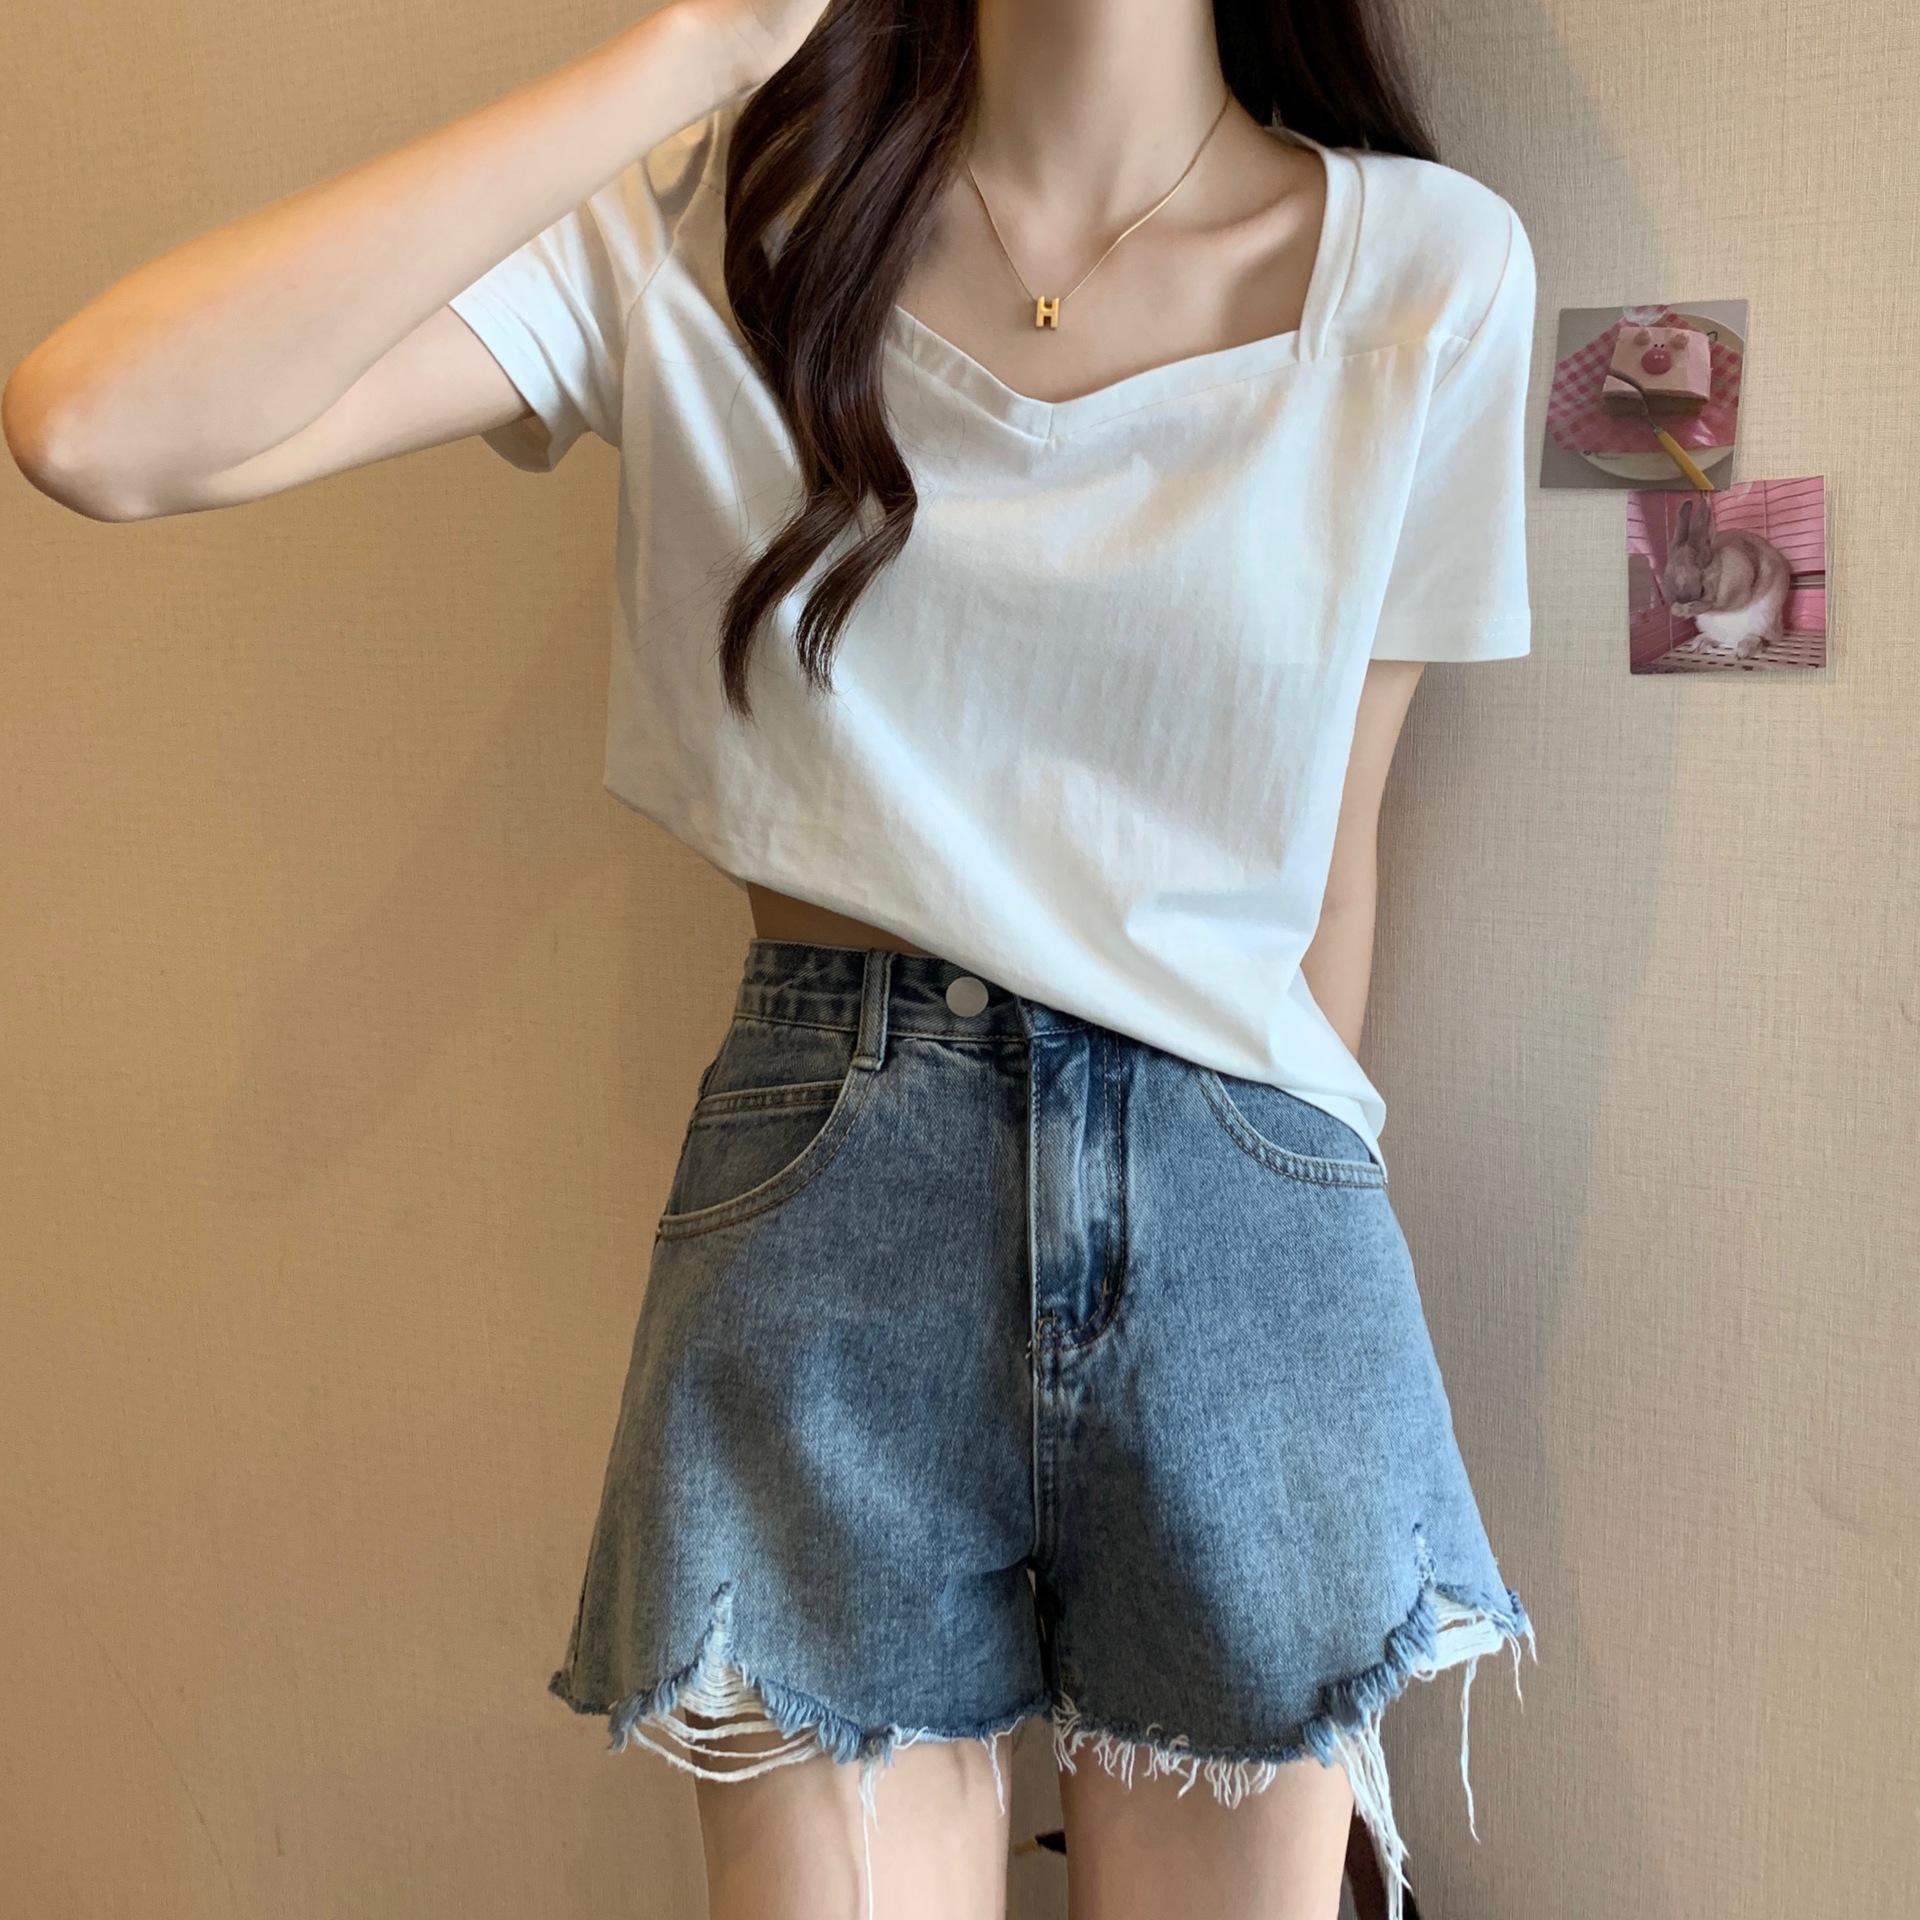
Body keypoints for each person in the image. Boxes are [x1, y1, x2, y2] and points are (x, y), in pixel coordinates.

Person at [4, 2, 1540, 1916]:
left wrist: (1294, 1253)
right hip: (832, 1216)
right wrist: (699, 47)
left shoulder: (1428, 273)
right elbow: (97, 426)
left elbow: (1333, 877)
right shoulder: (713, 223)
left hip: (1252, 1236)